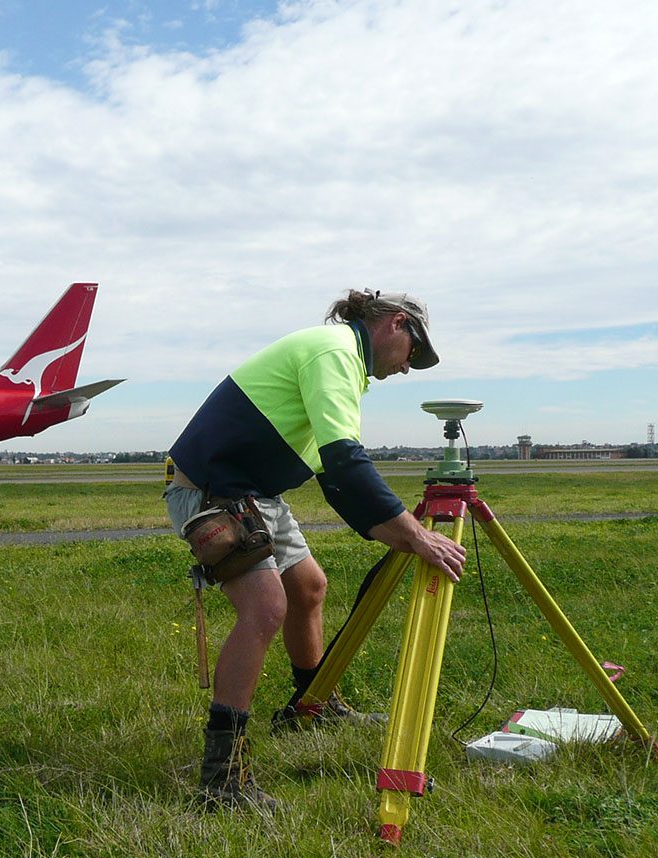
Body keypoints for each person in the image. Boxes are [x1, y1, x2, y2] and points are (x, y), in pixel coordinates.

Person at [165, 288, 467, 811]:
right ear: (397, 324)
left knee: (308, 587)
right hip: (215, 490)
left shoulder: (342, 362)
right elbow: (346, 462)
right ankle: (223, 779)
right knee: (265, 609)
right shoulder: (334, 353)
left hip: (256, 492)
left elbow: (334, 478)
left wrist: (393, 531)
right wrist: (415, 536)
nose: (408, 368)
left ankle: (311, 706)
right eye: (413, 354)